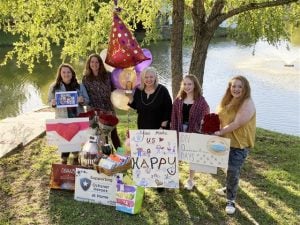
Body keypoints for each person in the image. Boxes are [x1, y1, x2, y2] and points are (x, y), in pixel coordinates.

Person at [214, 75, 256, 215]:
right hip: (225, 142)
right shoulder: (228, 100)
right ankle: (228, 188)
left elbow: (237, 123)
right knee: (228, 169)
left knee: (232, 170)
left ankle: (231, 200)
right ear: (229, 87)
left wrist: (220, 132)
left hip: (239, 144)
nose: (236, 89)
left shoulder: (247, 103)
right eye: (233, 86)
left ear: (245, 89)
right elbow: (218, 116)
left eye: (240, 86)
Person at [171, 74, 210, 190]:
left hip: (194, 130)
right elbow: (173, 115)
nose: (187, 86)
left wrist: (203, 121)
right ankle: (173, 177)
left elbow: (206, 114)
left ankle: (190, 180)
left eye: (190, 84)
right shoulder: (178, 100)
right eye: (185, 84)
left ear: (195, 85)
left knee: (192, 156)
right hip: (178, 129)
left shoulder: (201, 101)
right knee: (176, 154)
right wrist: (173, 128)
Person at [48, 63, 90, 164]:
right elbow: (49, 102)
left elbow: (87, 100)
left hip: (77, 117)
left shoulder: (79, 86)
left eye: (68, 72)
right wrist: (52, 103)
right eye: (64, 72)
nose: (66, 74)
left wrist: (82, 100)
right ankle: (64, 161)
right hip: (62, 118)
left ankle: (76, 159)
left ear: (72, 73)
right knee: (64, 143)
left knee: (76, 142)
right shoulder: (54, 87)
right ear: (60, 74)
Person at [82, 53, 121, 149]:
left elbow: (115, 90)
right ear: (89, 64)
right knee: (98, 137)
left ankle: (122, 154)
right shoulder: (85, 78)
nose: (94, 64)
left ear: (100, 64)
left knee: (114, 134)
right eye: (92, 62)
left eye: (97, 62)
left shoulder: (108, 75)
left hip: (108, 109)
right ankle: (103, 158)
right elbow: (84, 95)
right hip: (94, 111)